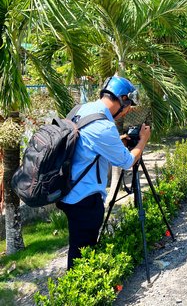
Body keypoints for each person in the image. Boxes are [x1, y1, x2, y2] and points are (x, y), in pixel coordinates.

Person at [57, 76, 151, 269]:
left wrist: (119, 141)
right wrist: (142, 140)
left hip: (67, 191)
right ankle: (81, 295)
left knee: (77, 245)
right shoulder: (104, 126)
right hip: (84, 199)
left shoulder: (81, 109)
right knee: (82, 253)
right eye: (127, 106)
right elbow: (127, 162)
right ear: (123, 99)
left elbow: (86, 144)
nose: (126, 112)